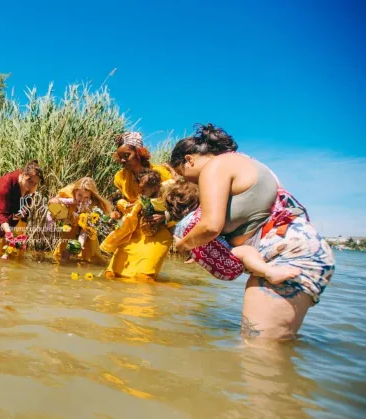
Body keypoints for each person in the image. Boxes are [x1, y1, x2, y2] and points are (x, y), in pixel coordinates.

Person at [169, 123, 335, 339]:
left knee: (258, 354)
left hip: (286, 255)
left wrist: (181, 246)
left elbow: (210, 226)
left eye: (183, 175)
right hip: (301, 250)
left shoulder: (216, 166)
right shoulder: (247, 163)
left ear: (189, 160)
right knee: (269, 351)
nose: (186, 181)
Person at [164, 180, 302, 284]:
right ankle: (268, 272)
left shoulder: (178, 228)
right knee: (246, 251)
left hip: (214, 268)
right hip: (229, 263)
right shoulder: (203, 214)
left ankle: (259, 271)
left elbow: (183, 243)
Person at [100, 132, 174, 280]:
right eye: (120, 157)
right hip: (132, 231)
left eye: (126, 156)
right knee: (112, 274)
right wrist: (119, 209)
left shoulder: (160, 173)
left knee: (143, 277)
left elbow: (179, 202)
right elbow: (119, 199)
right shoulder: (121, 177)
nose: (122, 160)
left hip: (157, 231)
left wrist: (166, 216)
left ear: (139, 153)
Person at [0, 160, 43, 259]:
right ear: (22, 174)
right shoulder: (7, 182)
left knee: (17, 253)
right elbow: (1, 214)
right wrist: (9, 235)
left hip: (15, 218)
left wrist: (19, 215)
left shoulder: (30, 189)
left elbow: (25, 209)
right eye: (29, 181)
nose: (31, 186)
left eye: (34, 184)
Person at [49, 177, 111, 263]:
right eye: (80, 195)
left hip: (87, 232)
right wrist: (68, 202)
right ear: (75, 192)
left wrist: (80, 244)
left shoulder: (92, 206)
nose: (82, 200)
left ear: (91, 196)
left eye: (86, 197)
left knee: (89, 260)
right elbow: (52, 203)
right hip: (70, 227)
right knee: (63, 257)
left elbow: (84, 230)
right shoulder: (67, 193)